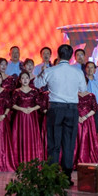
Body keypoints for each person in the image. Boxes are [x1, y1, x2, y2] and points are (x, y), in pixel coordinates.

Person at [34, 44, 86, 184]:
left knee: (54, 143)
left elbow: (37, 84)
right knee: (69, 143)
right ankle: (67, 176)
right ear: (71, 56)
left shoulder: (50, 70)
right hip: (71, 109)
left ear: (57, 55)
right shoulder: (77, 72)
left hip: (56, 108)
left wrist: (42, 72)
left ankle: (52, 175)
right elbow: (83, 89)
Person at [11, 72, 44, 164]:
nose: (25, 80)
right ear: (20, 80)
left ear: (29, 80)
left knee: (31, 138)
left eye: (27, 78)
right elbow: (12, 104)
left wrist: (32, 109)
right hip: (20, 117)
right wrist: (22, 109)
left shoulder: (34, 91)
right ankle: (20, 162)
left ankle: (32, 161)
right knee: (20, 138)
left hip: (31, 117)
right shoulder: (16, 91)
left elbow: (40, 104)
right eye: (23, 78)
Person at [74, 76, 98, 166]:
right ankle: (75, 161)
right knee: (76, 140)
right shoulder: (73, 95)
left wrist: (85, 117)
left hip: (88, 121)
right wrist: (77, 117)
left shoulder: (91, 95)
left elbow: (94, 108)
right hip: (76, 120)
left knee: (87, 139)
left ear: (86, 84)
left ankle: (87, 160)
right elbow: (71, 107)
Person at [84, 61, 98, 132]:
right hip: (85, 106)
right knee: (85, 127)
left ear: (95, 69)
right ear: (85, 69)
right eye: (88, 67)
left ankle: (94, 139)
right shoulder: (82, 80)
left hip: (96, 106)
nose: (90, 69)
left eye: (92, 67)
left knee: (95, 126)